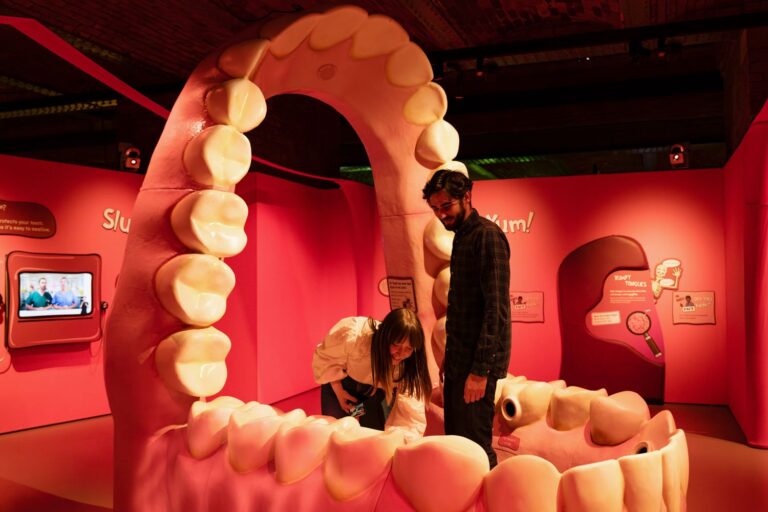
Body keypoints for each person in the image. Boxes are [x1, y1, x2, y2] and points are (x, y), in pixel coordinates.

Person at [423, 168, 511, 468]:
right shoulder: (462, 237)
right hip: (461, 362)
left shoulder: (487, 236)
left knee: (476, 447)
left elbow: (495, 310)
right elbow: (462, 309)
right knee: (457, 443)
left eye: (446, 206)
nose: (441, 214)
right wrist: (450, 358)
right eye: (435, 208)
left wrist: (479, 372)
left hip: (476, 366)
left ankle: (489, 493)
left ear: (467, 196)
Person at [312, 308, 432, 441]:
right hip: (341, 385)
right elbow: (326, 359)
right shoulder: (355, 335)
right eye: (396, 345)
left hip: (372, 395)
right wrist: (339, 392)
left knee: (372, 439)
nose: (400, 353)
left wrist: (408, 441)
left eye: (408, 348)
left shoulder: (411, 362)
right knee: (337, 435)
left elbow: (411, 410)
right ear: (385, 337)